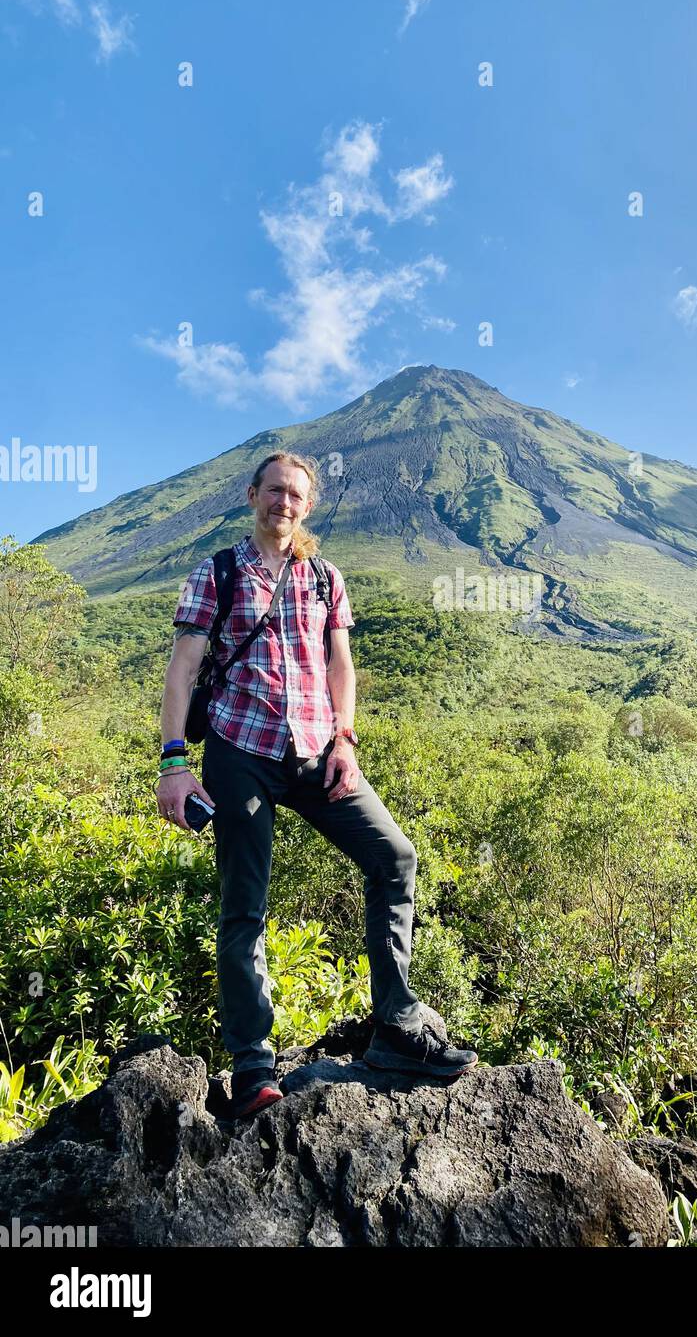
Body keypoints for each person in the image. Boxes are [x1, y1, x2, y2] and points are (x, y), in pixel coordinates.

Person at [155, 450, 477, 1120]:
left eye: (296, 494)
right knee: (246, 903)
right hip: (240, 750)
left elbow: (341, 667)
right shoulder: (215, 573)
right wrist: (173, 764)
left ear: (308, 503)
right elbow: (183, 672)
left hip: (316, 752)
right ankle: (252, 1063)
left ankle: (395, 1025)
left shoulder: (326, 577)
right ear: (252, 495)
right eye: (274, 490)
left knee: (393, 856)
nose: (284, 503)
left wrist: (345, 740)